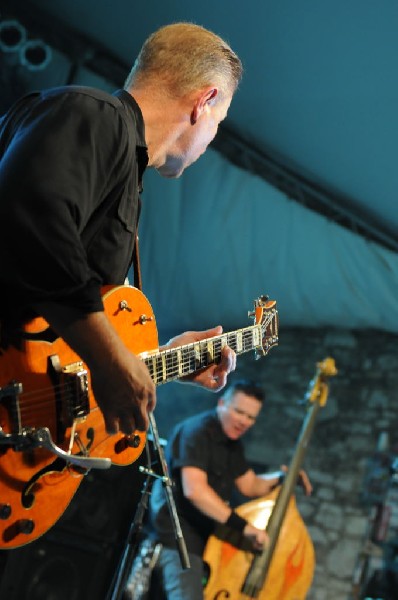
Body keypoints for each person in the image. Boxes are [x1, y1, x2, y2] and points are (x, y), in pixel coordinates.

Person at [0, 23, 243, 436]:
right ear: (205, 101)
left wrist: (156, 358)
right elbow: (33, 225)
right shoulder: (94, 114)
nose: (208, 141)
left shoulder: (120, 162)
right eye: (217, 124)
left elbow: (52, 326)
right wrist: (111, 359)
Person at [145, 380, 313, 600]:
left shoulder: (232, 444)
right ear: (222, 403)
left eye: (251, 417)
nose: (244, 421)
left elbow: (250, 485)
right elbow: (195, 490)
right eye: (239, 412)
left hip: (206, 535)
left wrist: (284, 477)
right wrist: (245, 528)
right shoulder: (197, 432)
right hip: (179, 534)